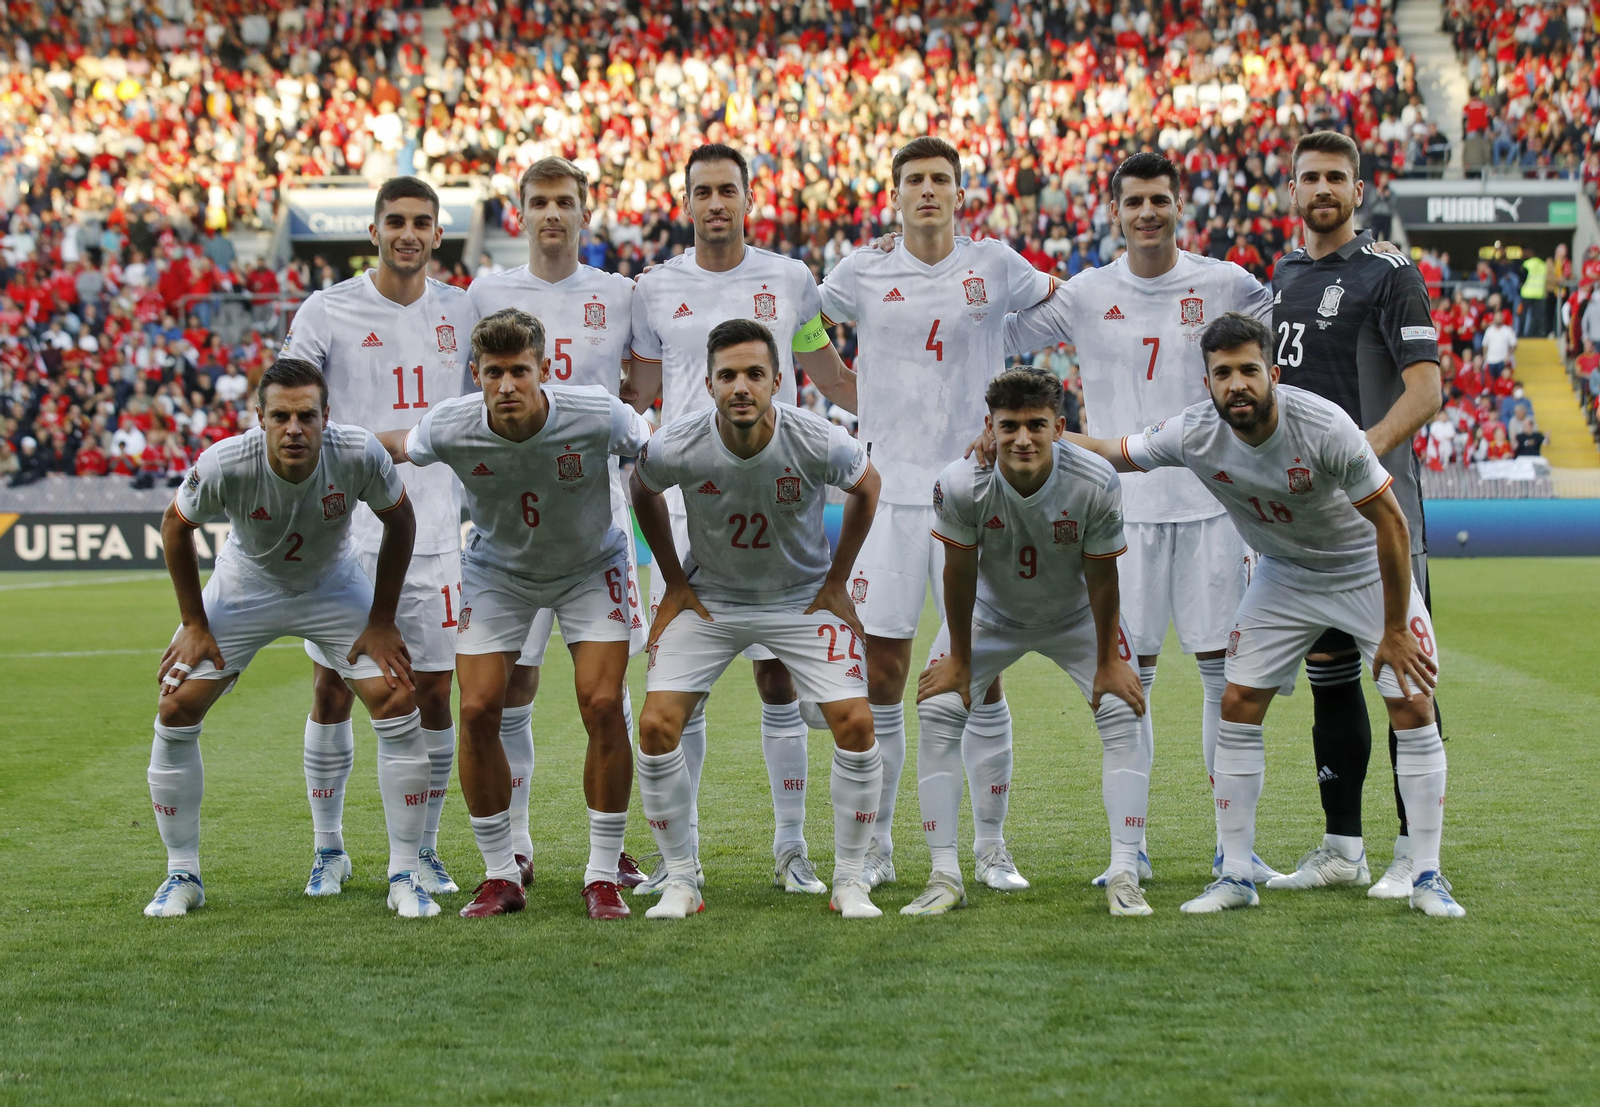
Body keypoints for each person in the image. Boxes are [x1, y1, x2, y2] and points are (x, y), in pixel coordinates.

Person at [1071, 312, 1462, 918]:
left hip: (1361, 566)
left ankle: (1429, 875)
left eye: (1249, 370)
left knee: (1411, 701)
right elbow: (1113, 452)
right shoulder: (1195, 431)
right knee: (1237, 704)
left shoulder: (1325, 427)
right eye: (1222, 373)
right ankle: (1235, 874)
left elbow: (1391, 522)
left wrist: (1391, 628)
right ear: (1207, 383)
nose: (1237, 384)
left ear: (1273, 373)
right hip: (1284, 574)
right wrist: (1037, 438)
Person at [1003, 151, 1280, 885]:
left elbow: (1285, 347)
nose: (1149, 212)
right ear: (1115, 211)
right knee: (1129, 680)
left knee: (1226, 680)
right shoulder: (1088, 291)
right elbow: (995, 334)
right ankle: (1131, 848)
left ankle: (1235, 847)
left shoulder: (1226, 282)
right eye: (1135, 202)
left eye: (1161, 199)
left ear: (1180, 203)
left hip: (1216, 509)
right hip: (1119, 516)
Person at [818, 137, 1056, 892]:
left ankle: (991, 847)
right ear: (894, 195)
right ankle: (880, 843)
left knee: (980, 673)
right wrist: (856, 398)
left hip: (974, 493)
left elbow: (1059, 310)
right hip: (887, 494)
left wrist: (1012, 399)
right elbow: (800, 326)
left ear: (960, 194)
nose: (927, 190)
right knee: (883, 670)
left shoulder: (995, 265)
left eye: (940, 180)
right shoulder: (860, 269)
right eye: (914, 180)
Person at [628, 143, 857, 896]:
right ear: (685, 203)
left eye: (729, 190)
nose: (716, 203)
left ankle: (791, 849)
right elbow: (636, 390)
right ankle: (677, 860)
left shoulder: (791, 280)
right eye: (703, 192)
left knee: (775, 677)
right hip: (692, 495)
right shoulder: (653, 288)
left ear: (748, 198)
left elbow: (829, 375)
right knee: (680, 688)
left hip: (776, 492)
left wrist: (929, 410)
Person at [378, 308, 653, 920]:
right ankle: (501, 875)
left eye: (519, 371)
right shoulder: (452, 425)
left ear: (545, 370)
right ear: (475, 374)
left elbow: (659, 451)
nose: (506, 386)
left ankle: (602, 876)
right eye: (493, 372)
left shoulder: (596, 412)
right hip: (497, 574)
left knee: (604, 704)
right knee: (475, 709)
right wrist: (324, 446)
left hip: (591, 567)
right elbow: (398, 445)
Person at [144, 358, 439, 919]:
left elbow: (401, 520)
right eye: (280, 416)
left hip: (334, 586)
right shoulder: (225, 462)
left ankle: (405, 873)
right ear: (260, 418)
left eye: (306, 415)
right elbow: (175, 526)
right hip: (245, 587)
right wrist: (193, 624)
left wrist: (381, 621)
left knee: (399, 698)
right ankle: (182, 873)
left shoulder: (358, 453)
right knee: (176, 706)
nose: (294, 428)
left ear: (327, 417)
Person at [629, 319, 884, 919]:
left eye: (753, 374)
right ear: (709, 384)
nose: (740, 386)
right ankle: (681, 882)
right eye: (727, 376)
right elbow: (642, 488)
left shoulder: (816, 438)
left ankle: (849, 881)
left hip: (800, 598)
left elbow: (868, 487)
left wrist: (837, 579)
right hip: (712, 597)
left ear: (777, 380)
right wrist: (671, 581)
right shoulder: (678, 442)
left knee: (854, 722)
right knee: (657, 725)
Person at [283, 176, 481, 900]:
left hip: (436, 531)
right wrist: (381, 443)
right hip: (346, 532)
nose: (408, 233)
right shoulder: (326, 308)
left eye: (421, 223)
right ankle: (328, 847)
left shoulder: (463, 308)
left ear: (437, 235)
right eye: (395, 221)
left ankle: (423, 849)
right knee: (333, 688)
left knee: (433, 692)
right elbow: (290, 401)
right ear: (373, 231)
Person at [906, 367, 1151, 918]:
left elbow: (1103, 576)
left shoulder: (1094, 479)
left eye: (1036, 425)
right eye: (1009, 425)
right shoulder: (961, 482)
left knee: (1122, 708)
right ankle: (945, 873)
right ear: (989, 428)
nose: (1022, 438)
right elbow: (958, 573)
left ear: (1060, 427)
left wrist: (1109, 661)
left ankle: (1126, 870)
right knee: (940, 707)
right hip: (992, 614)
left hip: (1077, 615)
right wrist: (962, 662)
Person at [1269, 131, 1443, 896]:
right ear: (1293, 191)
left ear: (1359, 191)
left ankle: (1414, 853)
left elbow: (1426, 390)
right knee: (1330, 678)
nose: (1323, 188)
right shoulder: (1282, 275)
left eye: (1336, 177)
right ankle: (1344, 848)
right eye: (1310, 177)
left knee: (1408, 682)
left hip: (1382, 515)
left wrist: (1360, 454)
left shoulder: (1390, 274)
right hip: (1311, 524)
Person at [466, 157, 646, 889]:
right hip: (510, 522)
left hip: (594, 519)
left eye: (565, 202)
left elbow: (643, 386)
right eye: (538, 201)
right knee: (513, 687)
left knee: (608, 690)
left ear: (585, 212)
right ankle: (514, 844)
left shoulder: (620, 294)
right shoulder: (485, 291)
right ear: (520, 212)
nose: (552, 214)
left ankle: (615, 847)